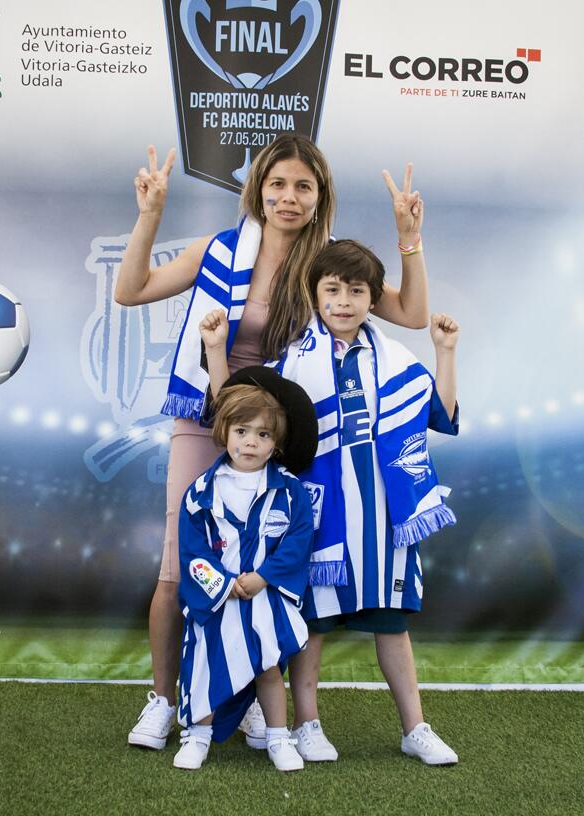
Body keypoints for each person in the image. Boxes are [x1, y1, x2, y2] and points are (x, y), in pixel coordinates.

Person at [117, 135, 431, 750]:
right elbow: (131, 290)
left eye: (303, 187)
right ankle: (163, 700)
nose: (288, 197)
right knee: (180, 567)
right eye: (278, 184)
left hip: (284, 428)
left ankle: (264, 700)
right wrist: (150, 215)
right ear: (258, 188)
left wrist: (409, 239)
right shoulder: (218, 250)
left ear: (320, 198)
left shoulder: (325, 268)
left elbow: (413, 315)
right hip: (207, 416)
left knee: (274, 571)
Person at [253, 239, 461, 765]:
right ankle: (307, 724)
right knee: (314, 627)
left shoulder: (395, 358)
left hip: (387, 514)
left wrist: (445, 352)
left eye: (356, 290)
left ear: (372, 298)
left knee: (392, 623)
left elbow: (443, 415)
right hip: (322, 517)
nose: (343, 301)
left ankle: (415, 728)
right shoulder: (293, 363)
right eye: (332, 290)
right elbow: (264, 432)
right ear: (315, 294)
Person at [174, 366, 317, 771]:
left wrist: (263, 577)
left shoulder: (290, 492)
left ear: (276, 443)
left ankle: (278, 738)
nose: (250, 442)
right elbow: (193, 551)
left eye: (263, 434)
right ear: (224, 432)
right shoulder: (201, 492)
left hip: (265, 597)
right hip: (217, 601)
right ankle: (197, 737)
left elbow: (297, 541)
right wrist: (221, 585)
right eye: (242, 431)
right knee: (203, 665)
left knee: (268, 666)